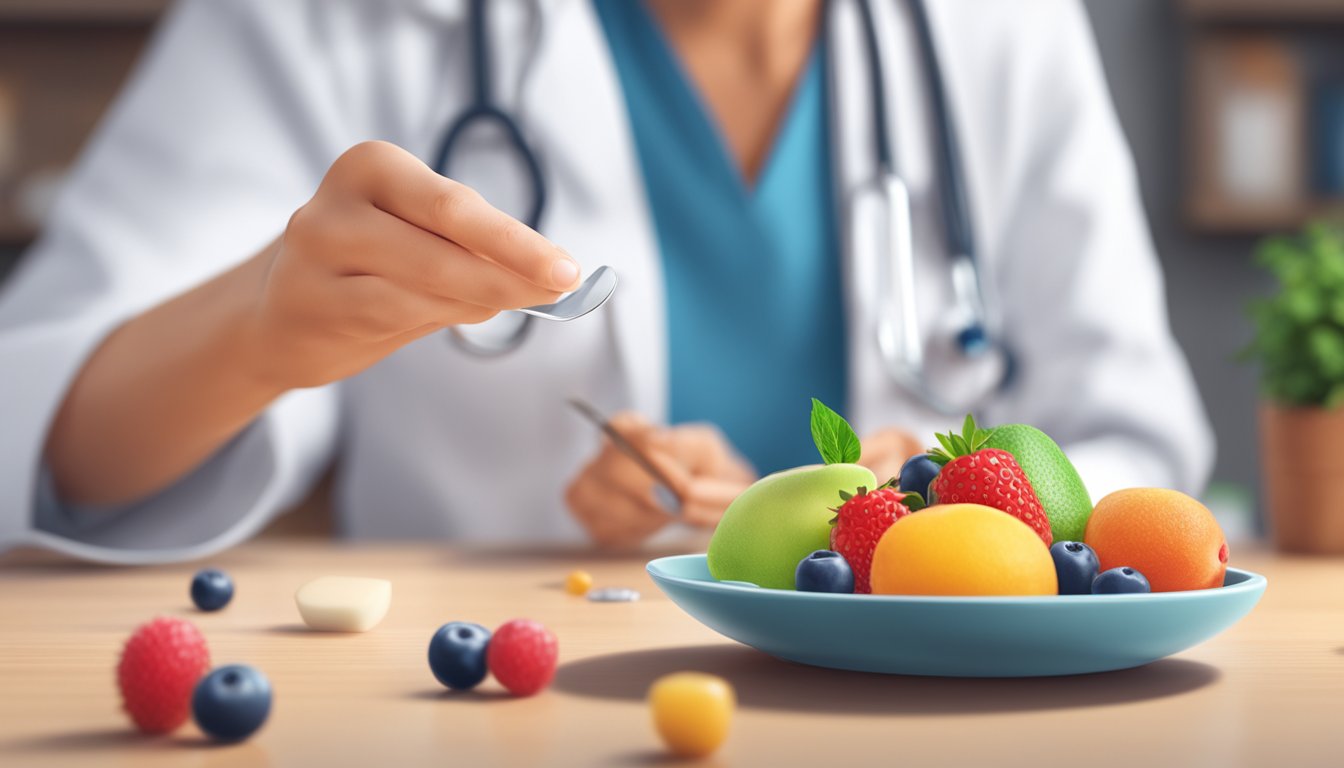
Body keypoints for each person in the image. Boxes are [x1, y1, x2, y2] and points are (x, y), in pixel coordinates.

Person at [0, 0, 1212, 563]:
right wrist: (257, 331)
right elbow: (34, 423)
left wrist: (947, 498)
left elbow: (1135, 441)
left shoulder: (995, 30)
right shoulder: (323, 20)